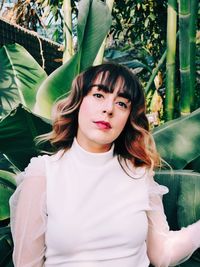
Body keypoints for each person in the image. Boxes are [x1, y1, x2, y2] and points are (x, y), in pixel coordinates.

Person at [10, 62, 200, 267]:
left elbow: (162, 253)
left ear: (129, 117)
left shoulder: (138, 174)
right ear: (79, 101)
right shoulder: (44, 173)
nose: (108, 109)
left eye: (121, 104)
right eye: (99, 95)